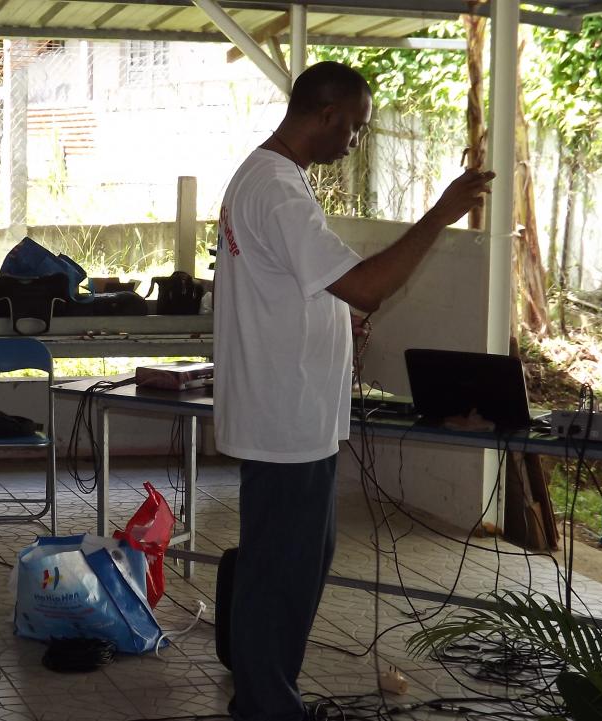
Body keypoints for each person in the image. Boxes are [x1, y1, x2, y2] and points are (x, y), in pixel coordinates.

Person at [213, 61, 494, 721]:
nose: (355, 141)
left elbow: (308, 289)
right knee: (280, 572)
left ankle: (266, 697)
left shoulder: (273, 179)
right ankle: (266, 706)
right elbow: (367, 286)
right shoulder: (276, 189)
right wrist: (440, 214)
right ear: (328, 113)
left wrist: (336, 322)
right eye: (356, 127)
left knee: (295, 563)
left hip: (295, 414)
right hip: (286, 418)